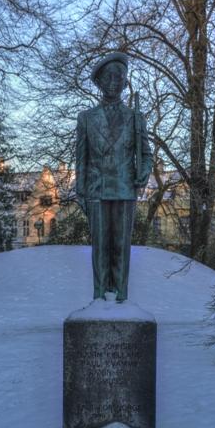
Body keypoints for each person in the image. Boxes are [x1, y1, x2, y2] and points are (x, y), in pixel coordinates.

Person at [75, 52, 153, 302]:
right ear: (100, 82)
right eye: (110, 77)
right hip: (96, 190)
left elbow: (146, 153)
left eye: (120, 78)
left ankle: (121, 295)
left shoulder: (135, 118)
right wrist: (81, 192)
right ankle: (99, 295)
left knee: (121, 247)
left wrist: (144, 170)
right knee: (100, 248)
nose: (115, 82)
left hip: (124, 188)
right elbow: (81, 159)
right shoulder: (86, 118)